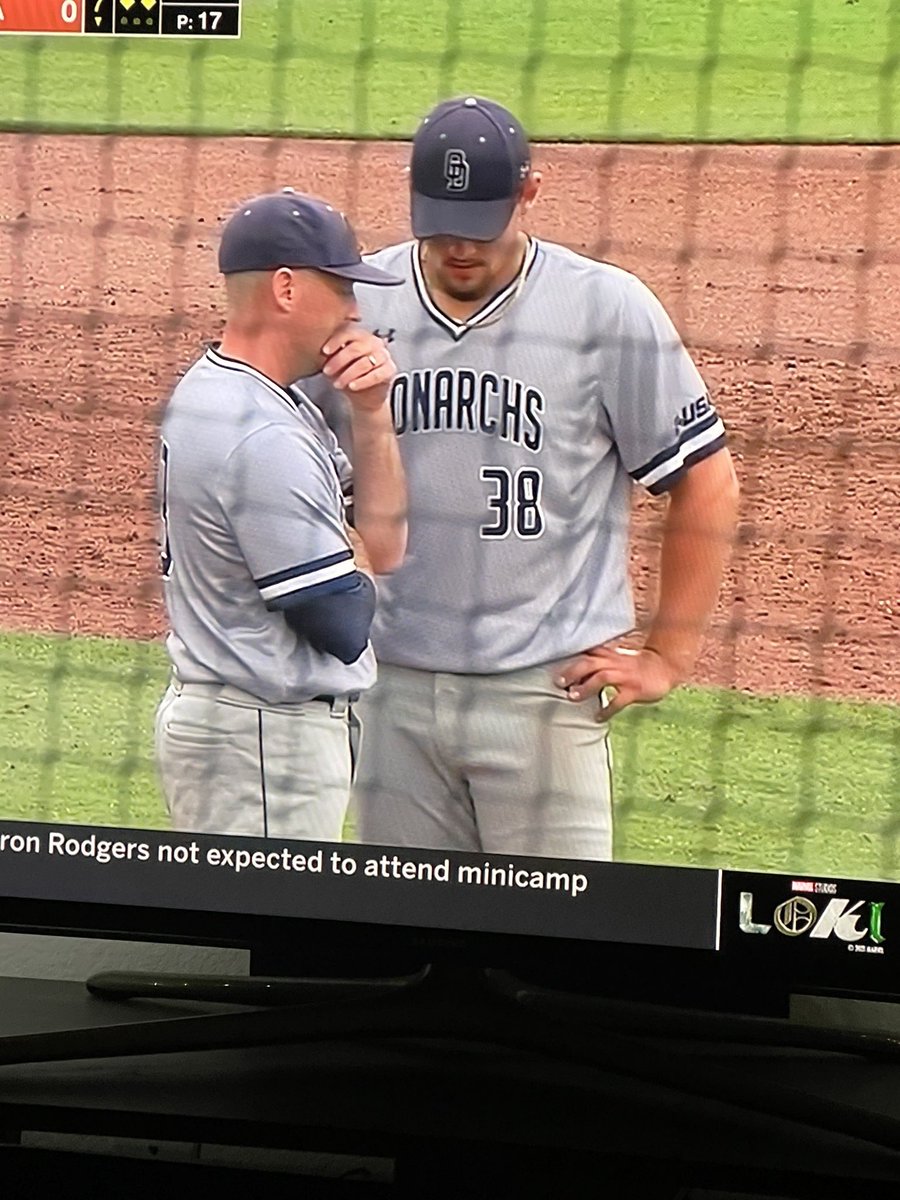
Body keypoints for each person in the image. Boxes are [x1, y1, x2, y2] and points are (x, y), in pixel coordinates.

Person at [314, 96, 740, 862]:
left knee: (557, 950)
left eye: (478, 226)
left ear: (529, 194)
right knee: (409, 947)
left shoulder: (603, 309)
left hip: (544, 697)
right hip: (390, 694)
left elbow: (705, 480)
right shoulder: (358, 298)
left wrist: (669, 653)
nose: (457, 250)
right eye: (439, 227)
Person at [154, 189, 407, 841]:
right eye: (341, 287)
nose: (355, 309)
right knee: (256, 940)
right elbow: (341, 618)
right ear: (287, 289)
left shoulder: (245, 396)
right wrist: (351, 555)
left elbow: (381, 545)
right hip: (261, 748)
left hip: (245, 735)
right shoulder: (260, 433)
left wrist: (373, 414)